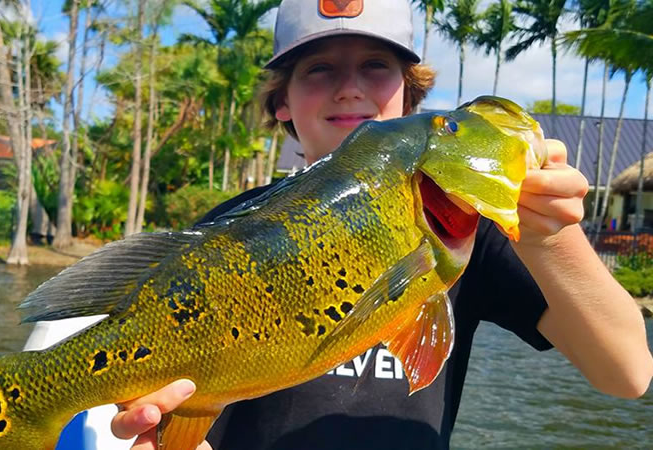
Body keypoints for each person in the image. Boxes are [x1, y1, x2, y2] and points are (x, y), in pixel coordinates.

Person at [110, 0, 653, 448]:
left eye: (377, 65)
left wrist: (550, 238)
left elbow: (626, 374)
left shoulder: (467, 228)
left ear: (409, 93)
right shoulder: (228, 229)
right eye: (318, 68)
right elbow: (172, 400)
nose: (350, 87)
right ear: (281, 101)